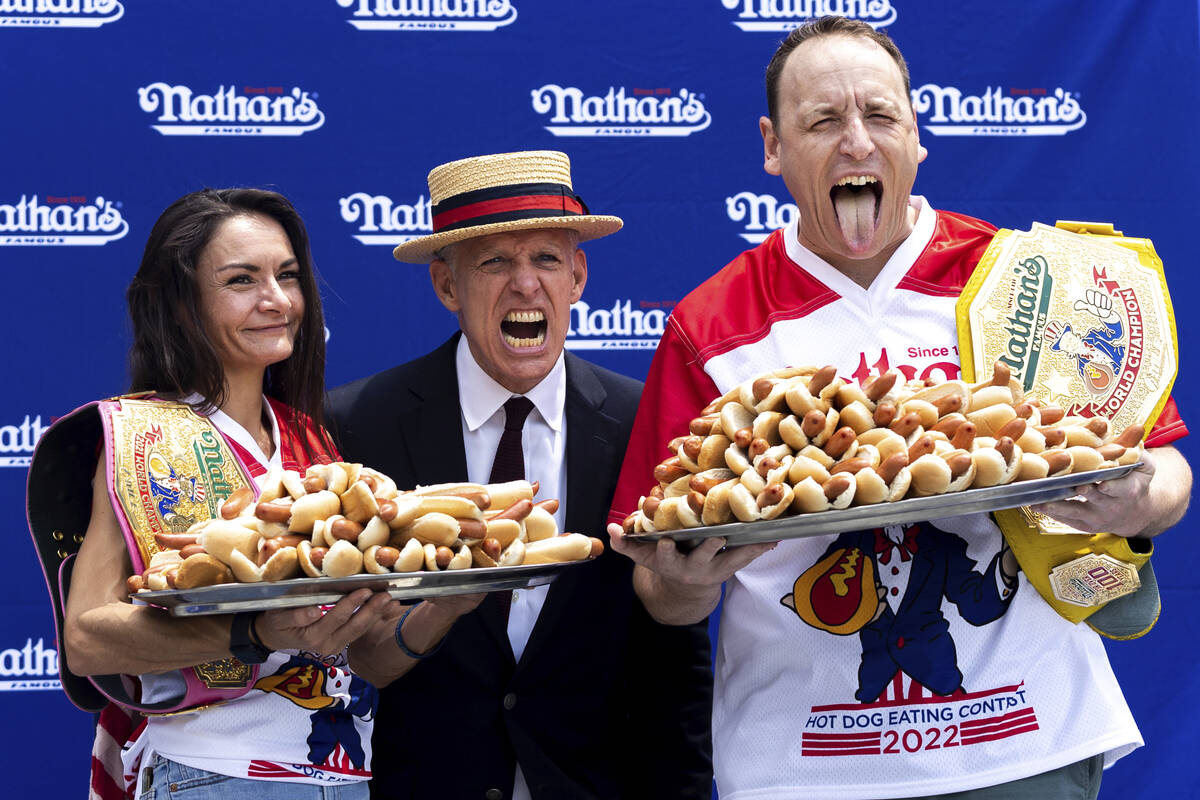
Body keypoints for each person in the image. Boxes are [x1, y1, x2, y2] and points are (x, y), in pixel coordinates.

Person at [607, 17, 1191, 800]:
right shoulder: (709, 326)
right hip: (803, 766)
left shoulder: (1022, 282)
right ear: (773, 147)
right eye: (823, 120)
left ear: (916, 134)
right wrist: (684, 583)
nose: (856, 142)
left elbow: (1165, 467)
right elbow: (659, 583)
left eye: (880, 115)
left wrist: (1139, 499)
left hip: (1024, 743)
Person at [30, 188, 471, 800]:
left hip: (343, 773)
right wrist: (254, 633)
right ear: (180, 303)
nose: (277, 300)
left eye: (287, 276)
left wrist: (449, 603)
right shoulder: (142, 435)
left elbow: (365, 662)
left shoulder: (312, 440)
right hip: (214, 774)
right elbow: (85, 640)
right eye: (242, 280)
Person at [327, 150, 714, 799]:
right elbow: (341, 653)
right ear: (447, 286)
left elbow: (674, 662)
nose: (526, 284)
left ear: (578, 276)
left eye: (546, 259)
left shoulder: (643, 424)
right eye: (494, 262)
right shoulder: (357, 426)